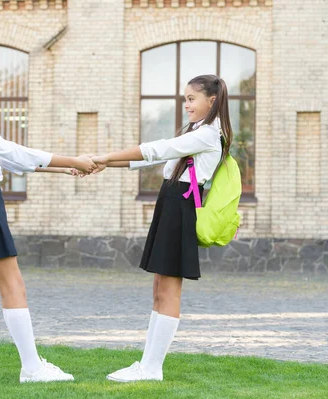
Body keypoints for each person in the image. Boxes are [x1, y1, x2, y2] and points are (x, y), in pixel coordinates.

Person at [0, 64, 95, 383]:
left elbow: (8, 161)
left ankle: (32, 363)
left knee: (13, 286)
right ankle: (31, 368)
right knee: (13, 286)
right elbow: (18, 152)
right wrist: (72, 159)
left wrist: (63, 170)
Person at [90, 75, 233, 382]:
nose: (187, 105)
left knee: (169, 290)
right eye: (185, 99)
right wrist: (104, 163)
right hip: (170, 204)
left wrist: (107, 156)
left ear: (211, 100)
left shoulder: (208, 135)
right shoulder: (197, 131)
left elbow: (158, 148)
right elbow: (153, 158)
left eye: (191, 99)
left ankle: (152, 369)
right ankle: (146, 365)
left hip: (180, 209)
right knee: (159, 289)